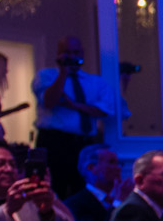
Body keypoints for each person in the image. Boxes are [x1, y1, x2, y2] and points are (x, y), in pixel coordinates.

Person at [32, 37, 115, 196]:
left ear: (82, 53)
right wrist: (63, 73)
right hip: (55, 141)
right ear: (58, 54)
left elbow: (105, 110)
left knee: (85, 189)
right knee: (55, 189)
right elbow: (50, 101)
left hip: (84, 143)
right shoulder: (46, 76)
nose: (71, 57)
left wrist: (73, 105)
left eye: (75, 52)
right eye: (67, 53)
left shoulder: (95, 82)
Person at [67, 144, 127, 221]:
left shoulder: (120, 198)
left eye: (119, 163)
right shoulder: (75, 204)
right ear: (91, 168)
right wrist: (118, 203)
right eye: (111, 162)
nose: (118, 168)